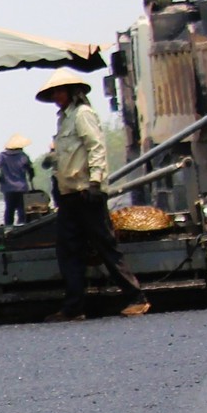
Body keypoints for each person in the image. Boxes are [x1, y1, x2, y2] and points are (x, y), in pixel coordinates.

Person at [39, 70, 151, 320]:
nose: (57, 96)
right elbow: (66, 155)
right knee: (68, 250)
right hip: (68, 195)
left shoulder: (82, 115)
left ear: (72, 92)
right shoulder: (63, 120)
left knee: (105, 246)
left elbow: (96, 148)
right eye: (54, 92)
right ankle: (74, 307)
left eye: (60, 91)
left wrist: (95, 182)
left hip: (87, 193)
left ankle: (136, 297)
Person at [0, 134, 36, 227]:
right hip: (22, 187)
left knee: (9, 209)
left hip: (8, 188)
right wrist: (31, 176)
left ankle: (8, 227)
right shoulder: (23, 156)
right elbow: (30, 170)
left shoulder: (3, 156)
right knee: (22, 210)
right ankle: (22, 227)